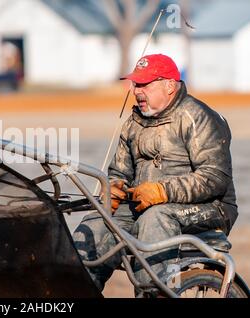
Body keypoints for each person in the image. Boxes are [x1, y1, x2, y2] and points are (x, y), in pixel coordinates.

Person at [73, 53, 238, 295]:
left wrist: (162, 191)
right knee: (95, 224)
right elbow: (120, 170)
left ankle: (154, 293)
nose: (137, 91)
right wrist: (115, 188)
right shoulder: (134, 122)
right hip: (144, 206)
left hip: (210, 208)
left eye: (144, 84)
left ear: (169, 85)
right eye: (135, 84)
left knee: (155, 219)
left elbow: (214, 178)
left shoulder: (199, 117)